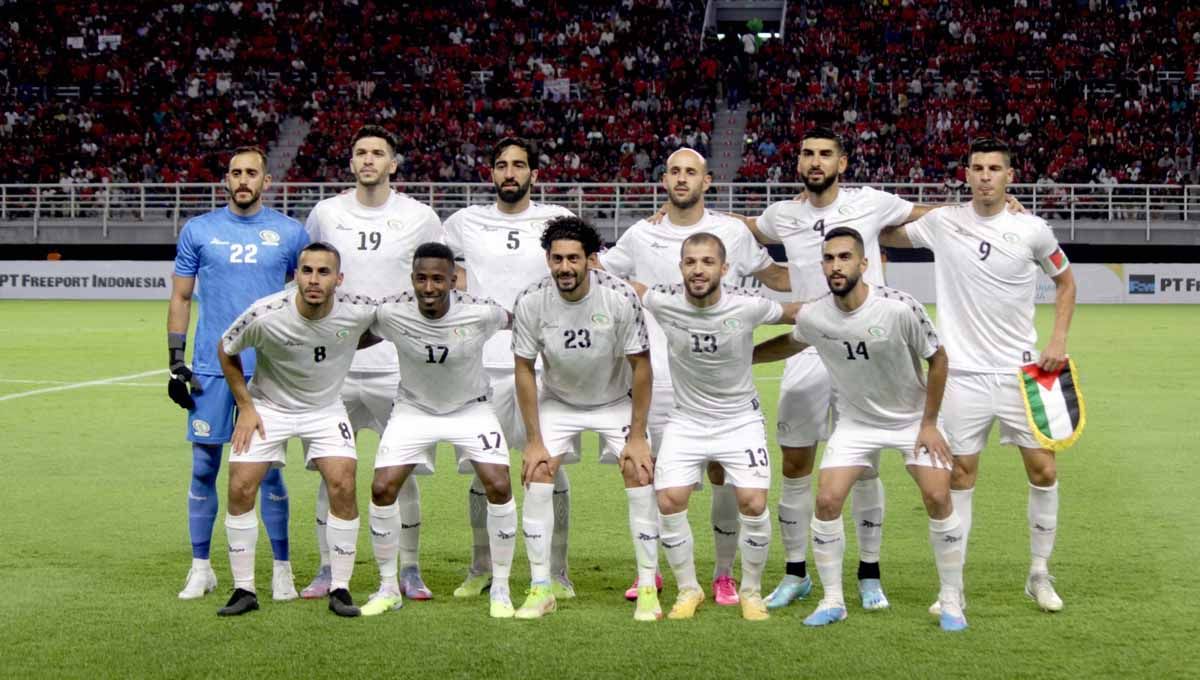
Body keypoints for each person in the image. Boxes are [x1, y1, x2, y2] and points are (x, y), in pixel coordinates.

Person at [740, 127, 1011, 611]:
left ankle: (869, 573)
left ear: (842, 163)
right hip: (809, 346)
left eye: (825, 154)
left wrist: (992, 210)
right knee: (797, 464)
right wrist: (680, 214)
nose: (815, 161)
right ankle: (796, 572)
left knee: (863, 466)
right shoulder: (783, 214)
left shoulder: (870, 201)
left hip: (866, 351)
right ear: (798, 162)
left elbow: (931, 217)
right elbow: (742, 228)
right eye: (807, 154)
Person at [881, 138, 1076, 614]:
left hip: (1023, 372)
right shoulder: (944, 223)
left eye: (994, 168)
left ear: (1010, 176)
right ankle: (953, 587)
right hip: (962, 376)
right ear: (966, 174)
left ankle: (1039, 574)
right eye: (977, 168)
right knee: (961, 477)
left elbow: (1065, 280)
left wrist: (1058, 341)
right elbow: (885, 234)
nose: (985, 175)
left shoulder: (1033, 229)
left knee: (1044, 469)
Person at [599, 147, 790, 605]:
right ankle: (651, 571)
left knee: (725, 477)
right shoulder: (642, 233)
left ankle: (724, 574)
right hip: (654, 378)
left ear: (708, 182)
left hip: (719, 388)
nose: (682, 179)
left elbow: (778, 278)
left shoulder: (731, 232)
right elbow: (602, 272)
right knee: (651, 480)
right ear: (664, 180)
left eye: (691, 172)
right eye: (674, 172)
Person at [752, 227, 968, 632]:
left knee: (938, 497)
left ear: (864, 263)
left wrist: (929, 424)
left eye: (845, 257)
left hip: (910, 421)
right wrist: (744, 357)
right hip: (856, 424)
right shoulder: (817, 314)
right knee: (828, 500)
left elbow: (938, 359)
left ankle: (952, 600)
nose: (837, 265)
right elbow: (792, 342)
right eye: (830, 258)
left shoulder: (899, 308)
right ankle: (833, 600)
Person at [301, 125, 443, 601]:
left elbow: (438, 277)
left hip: (397, 367)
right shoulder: (326, 213)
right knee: (331, 472)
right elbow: (306, 272)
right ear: (351, 162)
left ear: (393, 163)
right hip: (334, 366)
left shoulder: (420, 217)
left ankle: (411, 568)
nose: (368, 159)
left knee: (398, 473)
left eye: (378, 153)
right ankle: (326, 567)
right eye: (360, 152)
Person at [167, 146, 307, 601]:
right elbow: (182, 297)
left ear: (267, 181)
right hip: (211, 368)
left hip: (268, 372)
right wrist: (175, 359)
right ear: (225, 180)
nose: (243, 179)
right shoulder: (199, 230)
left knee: (267, 471)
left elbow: (304, 296)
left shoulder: (290, 233)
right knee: (204, 465)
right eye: (235, 173)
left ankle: (282, 568)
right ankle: (201, 567)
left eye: (252, 173)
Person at [636, 233, 798, 621]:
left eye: (707, 262)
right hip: (686, 420)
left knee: (754, 503)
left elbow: (796, 314)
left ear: (724, 269)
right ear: (680, 268)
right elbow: (633, 287)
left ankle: (751, 592)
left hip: (739, 420)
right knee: (670, 500)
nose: (698, 269)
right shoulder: (664, 300)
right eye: (690, 262)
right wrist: (591, 264)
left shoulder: (748, 305)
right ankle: (688, 590)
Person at [443, 138, 578, 599]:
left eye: (519, 165)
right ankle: (481, 566)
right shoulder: (464, 222)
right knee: (487, 471)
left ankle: (557, 572)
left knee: (550, 467)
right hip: (484, 364)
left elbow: (586, 267)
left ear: (533, 175)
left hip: (546, 366)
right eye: (501, 165)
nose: (510, 173)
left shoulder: (558, 219)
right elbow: (443, 275)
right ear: (491, 173)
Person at [215, 242, 378, 618]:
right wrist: (245, 407)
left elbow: (383, 327)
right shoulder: (266, 313)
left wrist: (349, 341)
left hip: (324, 408)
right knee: (240, 485)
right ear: (296, 276)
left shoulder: (358, 310)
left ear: (339, 279)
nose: (314, 279)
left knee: (343, 482)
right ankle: (244, 589)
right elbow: (226, 349)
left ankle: (340, 587)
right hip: (269, 407)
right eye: (307, 271)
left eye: (324, 272)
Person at [359, 243, 518, 619]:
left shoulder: (481, 313)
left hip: (471, 408)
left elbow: (518, 319)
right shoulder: (392, 312)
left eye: (437, 279)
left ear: (452, 280)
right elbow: (356, 334)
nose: (428, 287)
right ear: (412, 279)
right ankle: (387, 587)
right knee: (382, 488)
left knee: (498, 483)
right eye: (421, 278)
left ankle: (501, 586)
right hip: (414, 409)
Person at [510, 216, 658, 621]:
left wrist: (638, 435)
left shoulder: (619, 296)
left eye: (574, 258)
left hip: (614, 401)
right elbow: (524, 369)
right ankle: (542, 587)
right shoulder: (530, 300)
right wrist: (534, 440)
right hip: (559, 400)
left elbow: (642, 366)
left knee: (639, 470)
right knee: (538, 471)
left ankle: (648, 585)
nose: (565, 268)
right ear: (547, 259)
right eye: (557, 258)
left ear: (591, 260)